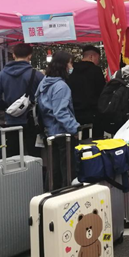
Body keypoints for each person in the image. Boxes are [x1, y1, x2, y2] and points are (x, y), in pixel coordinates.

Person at [0, 43, 44, 157]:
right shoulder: (37, 75)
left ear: (13, 55)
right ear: (30, 56)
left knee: (13, 157)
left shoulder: (2, 75)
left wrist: (7, 107)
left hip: (11, 121)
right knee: (34, 156)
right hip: (32, 121)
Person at [36, 51, 80, 189]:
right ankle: (67, 194)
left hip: (49, 131)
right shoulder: (61, 86)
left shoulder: (44, 83)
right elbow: (60, 112)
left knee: (53, 169)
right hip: (63, 133)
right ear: (64, 65)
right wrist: (75, 128)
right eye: (70, 63)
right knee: (67, 170)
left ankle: (51, 193)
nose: (71, 66)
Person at [67, 45, 106, 138]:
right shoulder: (96, 71)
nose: (98, 62)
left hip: (74, 113)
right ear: (92, 57)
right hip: (93, 114)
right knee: (95, 142)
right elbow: (102, 92)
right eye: (98, 59)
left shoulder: (72, 70)